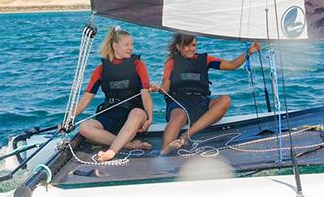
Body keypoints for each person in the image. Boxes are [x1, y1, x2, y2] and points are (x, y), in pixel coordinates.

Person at [152, 33, 260, 155]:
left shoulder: (206, 59)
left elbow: (232, 65)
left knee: (225, 100)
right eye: (187, 45)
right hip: (179, 104)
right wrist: (159, 89)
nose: (191, 49)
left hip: (201, 103)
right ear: (178, 46)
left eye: (194, 45)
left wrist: (250, 51)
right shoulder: (171, 62)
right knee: (179, 117)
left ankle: (187, 135)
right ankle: (165, 149)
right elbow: (165, 85)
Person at [73, 26, 153, 162]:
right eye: (126, 45)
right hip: (110, 116)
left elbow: (145, 94)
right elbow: (87, 97)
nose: (131, 48)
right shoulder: (101, 70)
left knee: (138, 113)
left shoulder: (138, 65)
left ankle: (111, 152)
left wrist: (150, 118)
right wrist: (70, 117)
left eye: (132, 45)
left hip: (133, 118)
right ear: (115, 46)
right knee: (84, 128)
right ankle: (128, 145)